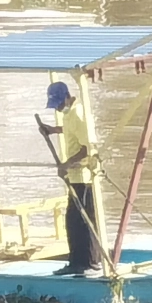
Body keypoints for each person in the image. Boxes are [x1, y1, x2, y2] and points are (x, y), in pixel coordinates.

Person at [37, 81, 102, 276]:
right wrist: (53, 130)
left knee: (84, 222)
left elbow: (87, 148)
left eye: (59, 103)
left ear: (67, 97)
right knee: (73, 222)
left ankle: (90, 263)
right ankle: (76, 262)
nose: (57, 108)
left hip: (84, 177)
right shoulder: (69, 114)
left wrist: (66, 164)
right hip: (75, 177)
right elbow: (71, 130)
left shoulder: (79, 113)